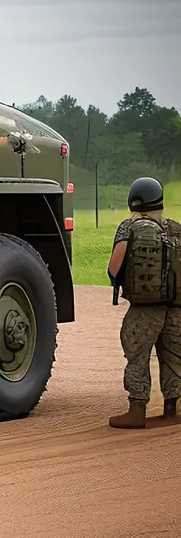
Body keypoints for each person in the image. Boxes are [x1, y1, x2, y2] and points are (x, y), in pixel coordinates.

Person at [108, 177, 181, 429]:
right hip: (175, 306)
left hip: (144, 309)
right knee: (173, 356)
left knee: (137, 354)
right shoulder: (175, 228)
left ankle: (137, 410)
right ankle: (171, 410)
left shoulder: (129, 227)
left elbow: (114, 265)